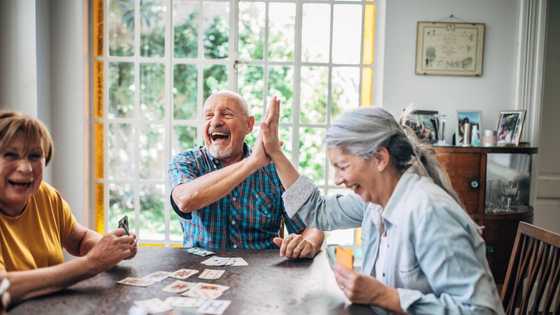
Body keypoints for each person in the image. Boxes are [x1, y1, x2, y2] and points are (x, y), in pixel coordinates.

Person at [260, 102, 504, 314]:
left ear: (380, 159)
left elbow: (480, 311)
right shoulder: (375, 201)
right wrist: (275, 152)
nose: (337, 179)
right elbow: (318, 211)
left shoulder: (430, 212)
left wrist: (383, 296)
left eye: (342, 166)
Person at [0, 111, 137, 304]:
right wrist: (91, 263)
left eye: (34, 156)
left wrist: (111, 248)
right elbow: (3, 287)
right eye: (10, 155)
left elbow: (80, 240)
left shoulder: (45, 196)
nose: (26, 168)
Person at [168, 90, 323, 258]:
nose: (216, 121)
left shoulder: (275, 169)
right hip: (199, 273)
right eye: (209, 115)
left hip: (262, 275)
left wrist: (308, 243)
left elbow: (312, 225)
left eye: (226, 114)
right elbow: (185, 200)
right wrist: (252, 163)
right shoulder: (186, 162)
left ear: (249, 125)